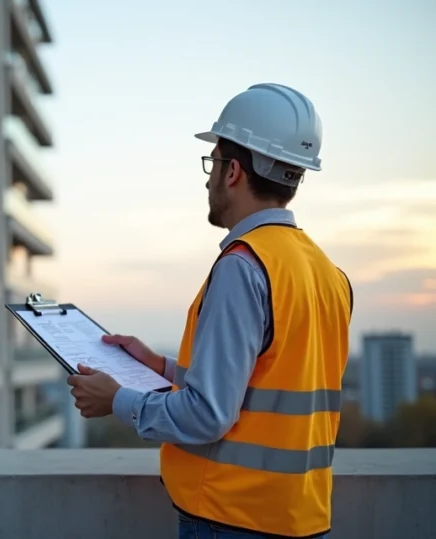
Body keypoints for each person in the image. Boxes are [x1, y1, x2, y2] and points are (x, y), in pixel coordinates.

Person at [66, 83, 353, 539]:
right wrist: (160, 366)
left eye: (213, 162)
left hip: (233, 517)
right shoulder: (328, 273)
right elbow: (262, 383)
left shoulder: (244, 266)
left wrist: (116, 399)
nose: (207, 178)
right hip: (298, 516)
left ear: (233, 171)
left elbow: (208, 415)